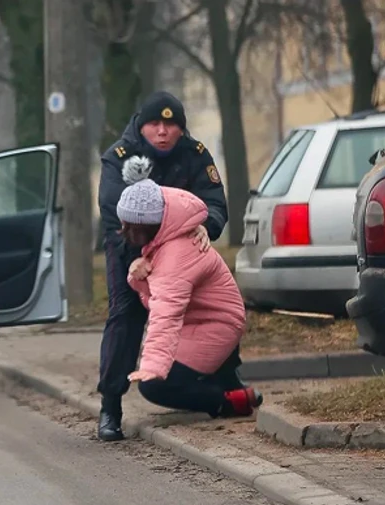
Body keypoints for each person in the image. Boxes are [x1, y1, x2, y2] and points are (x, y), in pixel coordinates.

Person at [96, 91, 233, 441]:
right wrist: (140, 255)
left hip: (183, 248)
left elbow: (215, 200)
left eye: (171, 125)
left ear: (181, 129)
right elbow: (115, 211)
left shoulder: (195, 154)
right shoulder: (119, 157)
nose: (162, 132)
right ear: (142, 126)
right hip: (130, 249)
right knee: (125, 319)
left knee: (214, 305)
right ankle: (111, 407)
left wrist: (208, 225)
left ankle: (227, 379)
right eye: (154, 124)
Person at [115, 169, 263, 417]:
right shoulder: (169, 229)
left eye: (127, 226)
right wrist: (136, 273)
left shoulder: (176, 254)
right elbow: (159, 294)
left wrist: (153, 366)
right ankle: (231, 388)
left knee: (154, 386)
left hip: (216, 323)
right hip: (197, 319)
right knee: (173, 374)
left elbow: (165, 312)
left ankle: (227, 403)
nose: (123, 230)